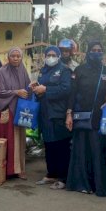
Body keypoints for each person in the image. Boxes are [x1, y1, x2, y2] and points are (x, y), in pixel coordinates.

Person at [65, 41, 106, 196]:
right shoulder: (79, 70)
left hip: (100, 119)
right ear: (88, 52)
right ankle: (81, 184)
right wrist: (69, 114)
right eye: (93, 50)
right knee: (81, 150)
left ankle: (99, 186)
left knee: (98, 151)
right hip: (81, 117)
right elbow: (72, 93)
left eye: (99, 50)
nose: (96, 52)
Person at [33, 46, 72, 190]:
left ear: (59, 56)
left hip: (58, 113)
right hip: (45, 113)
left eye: (53, 55)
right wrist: (37, 89)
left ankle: (63, 177)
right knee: (49, 145)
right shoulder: (43, 71)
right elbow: (42, 89)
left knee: (60, 146)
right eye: (48, 54)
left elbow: (66, 89)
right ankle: (51, 174)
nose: (50, 57)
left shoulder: (64, 70)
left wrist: (46, 90)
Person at [0, 47, 30, 179]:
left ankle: (19, 169)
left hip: (20, 110)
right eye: (13, 56)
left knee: (20, 140)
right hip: (7, 111)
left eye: (18, 56)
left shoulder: (23, 71)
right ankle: (6, 169)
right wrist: (16, 92)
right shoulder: (2, 72)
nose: (15, 58)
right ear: (8, 58)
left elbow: (27, 88)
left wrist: (31, 88)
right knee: (9, 140)